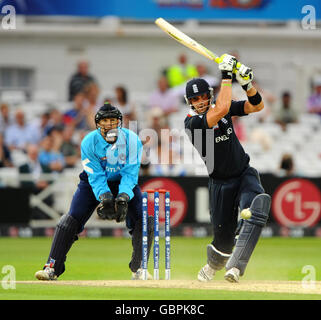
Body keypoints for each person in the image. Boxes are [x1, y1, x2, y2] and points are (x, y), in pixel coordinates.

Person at [35, 103, 154, 281]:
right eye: (105, 121)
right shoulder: (89, 141)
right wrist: (104, 196)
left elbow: (130, 173)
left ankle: (139, 268)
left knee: (144, 220)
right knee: (70, 220)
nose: (109, 125)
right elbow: (95, 174)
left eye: (112, 120)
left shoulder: (132, 140)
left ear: (119, 122)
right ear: (98, 123)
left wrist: (123, 196)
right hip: (93, 183)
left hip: (123, 181)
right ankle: (52, 267)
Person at [184, 54, 271, 283]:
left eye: (203, 96)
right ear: (189, 102)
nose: (201, 101)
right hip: (220, 184)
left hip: (243, 173)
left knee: (257, 206)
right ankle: (214, 266)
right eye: (196, 99)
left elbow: (257, 106)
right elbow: (221, 108)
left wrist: (247, 84)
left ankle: (236, 268)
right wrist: (226, 75)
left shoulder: (222, 108)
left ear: (209, 95)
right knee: (222, 243)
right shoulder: (192, 123)